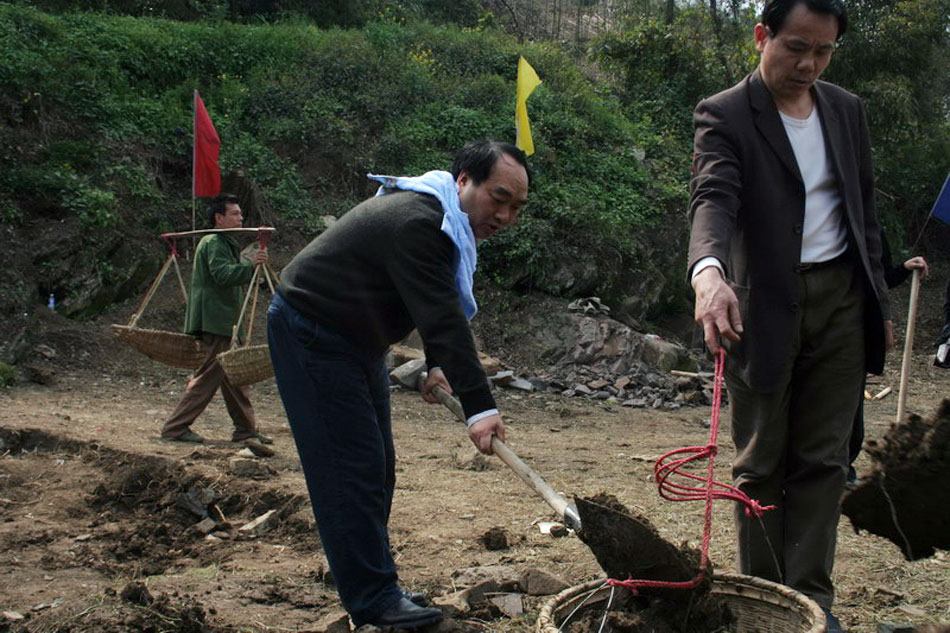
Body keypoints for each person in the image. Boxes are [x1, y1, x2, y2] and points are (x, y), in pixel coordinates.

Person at [266, 140, 529, 629]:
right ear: (463, 182)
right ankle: (373, 600)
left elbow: (431, 303)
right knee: (352, 468)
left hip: (356, 339)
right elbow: (446, 320)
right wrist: (480, 408)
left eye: (516, 207)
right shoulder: (420, 223)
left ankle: (372, 580)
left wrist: (437, 364)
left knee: (377, 465)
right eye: (499, 198)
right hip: (312, 331)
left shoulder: (446, 225)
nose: (506, 216)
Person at [687, 1, 892, 629]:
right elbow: (713, 197)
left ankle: (810, 606)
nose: (808, 64)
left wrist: (878, 297)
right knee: (760, 464)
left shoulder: (845, 109)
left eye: (823, 51)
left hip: (843, 303)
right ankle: (763, 602)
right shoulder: (725, 114)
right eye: (796, 47)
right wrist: (710, 273)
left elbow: (862, 211)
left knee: (825, 461)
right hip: (764, 308)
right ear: (761, 36)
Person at [161, 194, 271, 444]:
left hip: (225, 319)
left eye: (241, 214)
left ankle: (245, 430)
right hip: (216, 319)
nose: (240, 217)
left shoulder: (224, 242)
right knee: (210, 375)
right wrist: (249, 266)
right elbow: (222, 275)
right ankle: (175, 428)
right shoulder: (214, 242)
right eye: (235, 214)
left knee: (234, 377)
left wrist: (249, 265)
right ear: (218, 218)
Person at [848, 234, 927, 482]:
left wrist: (904, 269)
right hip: (811, 326)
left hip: (856, 332)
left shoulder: (873, 231)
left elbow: (880, 280)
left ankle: (842, 471)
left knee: (851, 413)